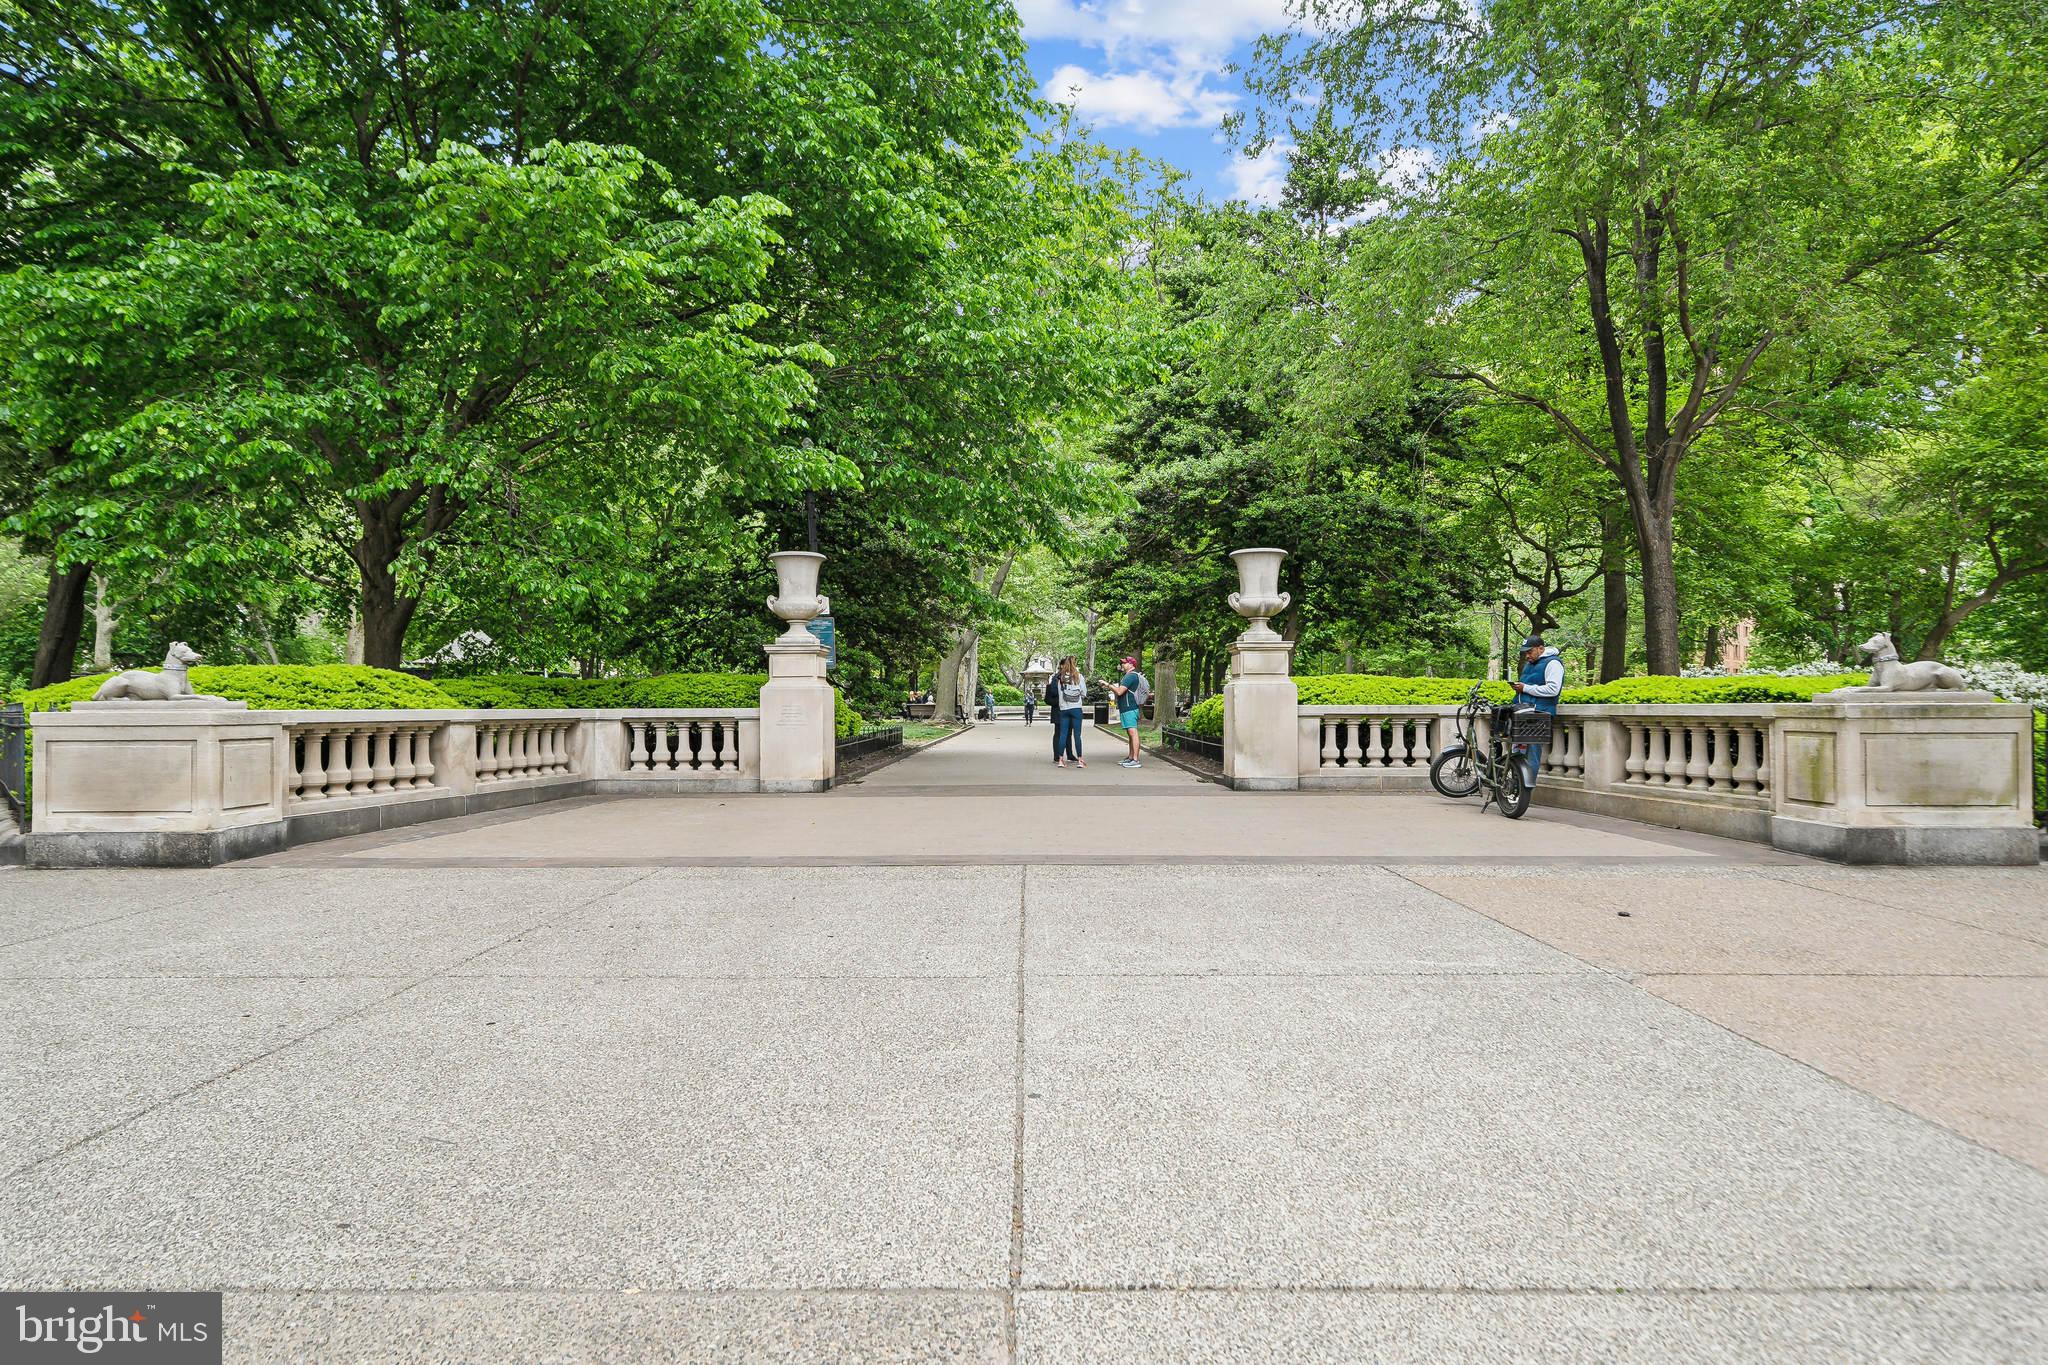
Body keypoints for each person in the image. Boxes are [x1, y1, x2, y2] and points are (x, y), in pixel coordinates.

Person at [1509, 633, 1564, 786]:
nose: (1527, 656)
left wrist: (1525, 688)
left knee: (1531, 753)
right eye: (1525, 652)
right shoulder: (1530, 664)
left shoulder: (1553, 663)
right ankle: (1514, 787)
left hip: (1539, 715)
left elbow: (1553, 689)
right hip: (1523, 713)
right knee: (1517, 751)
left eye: (1529, 651)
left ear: (1541, 648)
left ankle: (1525, 790)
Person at [1109, 653, 1148, 768]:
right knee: (1130, 734)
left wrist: (1108, 685)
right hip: (1128, 708)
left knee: (1133, 732)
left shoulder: (1130, 676)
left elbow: (1120, 691)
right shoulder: (1129, 676)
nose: (1122, 664)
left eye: (1125, 662)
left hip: (1130, 707)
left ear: (1131, 665)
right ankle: (1131, 757)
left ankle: (1135, 760)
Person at [1051, 656, 1086, 768]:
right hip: (1076, 708)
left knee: (1063, 734)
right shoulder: (1079, 677)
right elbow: (1084, 693)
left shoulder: (1060, 678)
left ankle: (1061, 760)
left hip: (1064, 709)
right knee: (1077, 734)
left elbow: (1059, 694)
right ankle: (1080, 760)